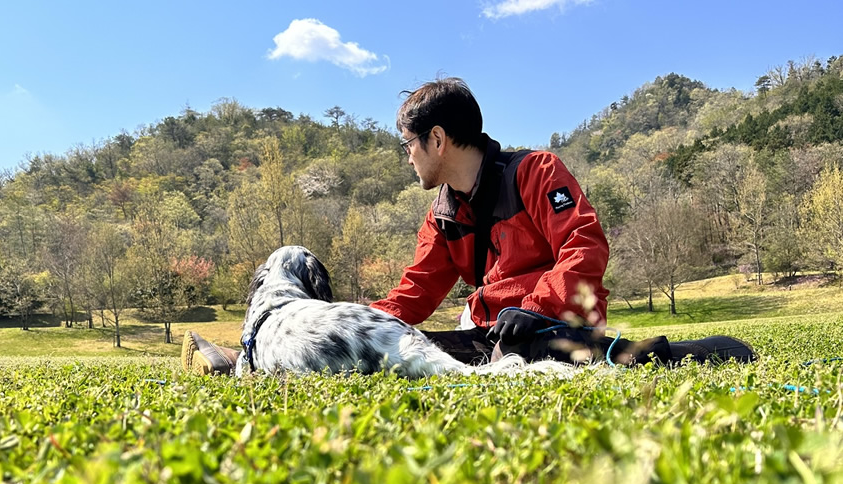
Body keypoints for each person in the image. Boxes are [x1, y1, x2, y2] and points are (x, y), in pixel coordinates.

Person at [183, 77, 755, 374]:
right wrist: (344, 321)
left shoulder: (535, 171)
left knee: (585, 354)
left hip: (554, 325)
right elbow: (413, 296)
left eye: (409, 143)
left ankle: (674, 354)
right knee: (393, 354)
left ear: (437, 139)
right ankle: (244, 360)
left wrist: (537, 304)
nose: (407, 157)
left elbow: (585, 247)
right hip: (490, 337)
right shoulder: (442, 215)